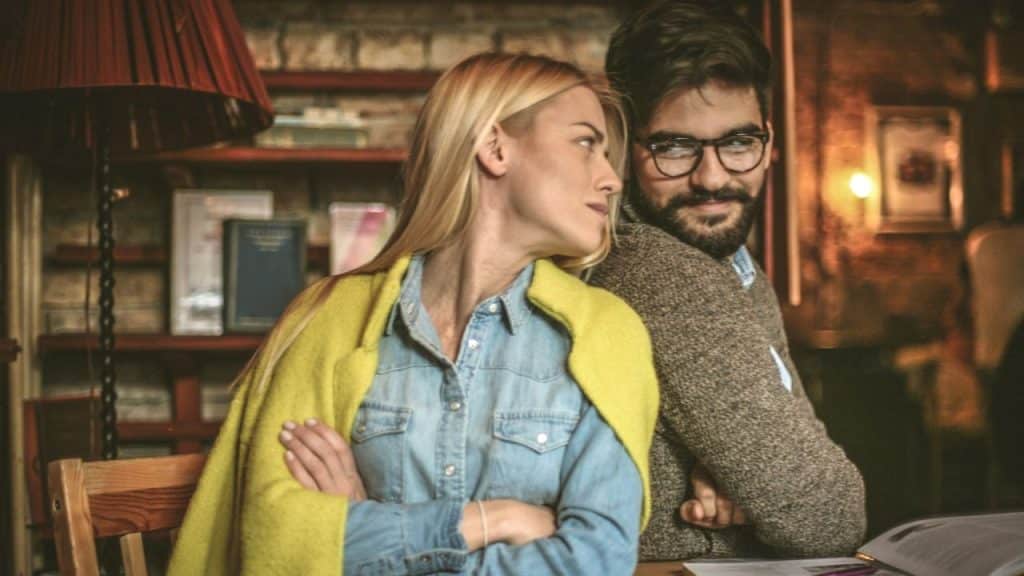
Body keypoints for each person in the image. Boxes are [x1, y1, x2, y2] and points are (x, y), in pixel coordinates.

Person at [168, 52, 659, 575]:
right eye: (586, 142)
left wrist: (368, 524)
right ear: (495, 148)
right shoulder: (328, 321)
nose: (612, 180)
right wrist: (494, 520)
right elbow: (278, 541)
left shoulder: (606, 334)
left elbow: (593, 562)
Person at [589, 0, 867, 560]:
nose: (712, 178)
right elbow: (828, 516)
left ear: (769, 140)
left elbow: (799, 456)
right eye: (674, 147)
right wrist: (765, 487)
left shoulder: (732, 263)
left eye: (738, 143)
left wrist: (751, 478)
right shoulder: (664, 272)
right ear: (624, 148)